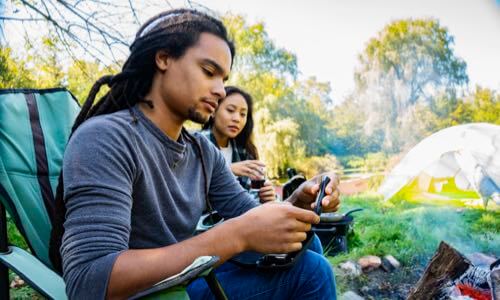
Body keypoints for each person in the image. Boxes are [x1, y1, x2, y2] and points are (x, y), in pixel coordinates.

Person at [49, 8, 341, 300]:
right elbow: (88, 281)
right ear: (163, 58)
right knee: (312, 271)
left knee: (308, 248)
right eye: (209, 72)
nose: (220, 91)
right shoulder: (105, 138)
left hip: (185, 278)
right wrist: (235, 235)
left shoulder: (202, 152)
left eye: (224, 79)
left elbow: (254, 220)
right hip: (145, 294)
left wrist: (297, 202)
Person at [201, 86, 276, 202]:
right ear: (213, 111)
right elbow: (185, 184)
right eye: (230, 110)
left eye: (243, 114)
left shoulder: (244, 151)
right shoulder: (196, 143)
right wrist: (227, 170)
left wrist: (266, 197)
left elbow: (248, 198)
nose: (237, 119)